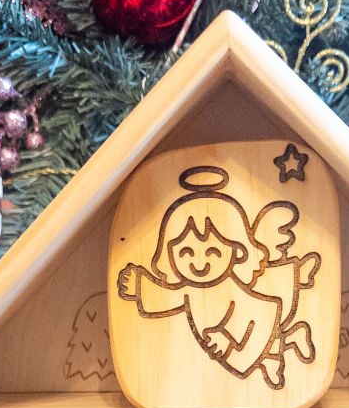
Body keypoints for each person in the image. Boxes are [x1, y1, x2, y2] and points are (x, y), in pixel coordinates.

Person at [116, 166, 320, 390]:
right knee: (249, 358)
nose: (200, 264)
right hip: (224, 339)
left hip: (255, 322)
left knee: (257, 349)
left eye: (213, 252)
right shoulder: (188, 290)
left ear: (237, 250)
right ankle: (289, 339)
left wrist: (227, 335)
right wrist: (139, 285)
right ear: (169, 253)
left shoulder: (231, 287)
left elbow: (244, 312)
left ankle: (281, 345)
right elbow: (165, 297)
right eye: (186, 253)